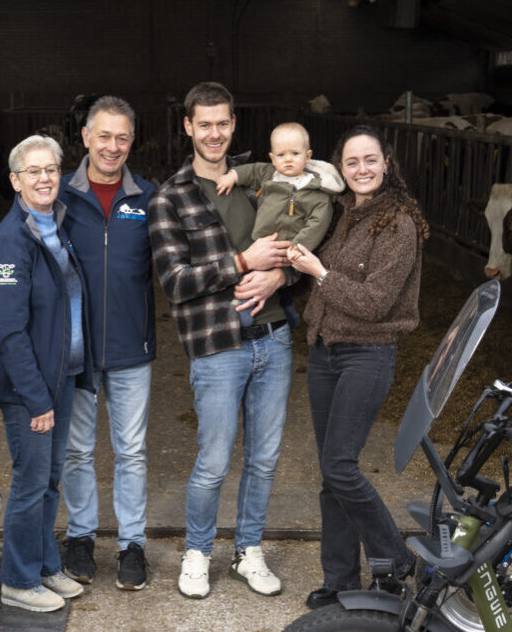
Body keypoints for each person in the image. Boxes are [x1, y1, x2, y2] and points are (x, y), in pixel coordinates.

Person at [0, 96, 156, 591]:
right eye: (104, 135)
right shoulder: (48, 210)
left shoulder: (135, 201)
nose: (113, 146)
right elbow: (6, 277)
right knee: (54, 466)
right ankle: (48, 558)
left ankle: (100, 552)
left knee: (105, 459)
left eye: (123, 137)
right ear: (86, 137)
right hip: (54, 369)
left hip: (101, 356)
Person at [148, 82, 295, 600]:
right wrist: (242, 263)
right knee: (213, 459)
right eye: (204, 124)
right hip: (217, 348)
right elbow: (175, 281)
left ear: (235, 125)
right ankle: (197, 552)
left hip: (274, 338)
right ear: (187, 127)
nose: (215, 133)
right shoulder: (170, 197)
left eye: (223, 123)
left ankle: (248, 550)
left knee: (264, 457)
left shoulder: (267, 182)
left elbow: (298, 247)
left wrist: (278, 277)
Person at [286, 124, 428, 609]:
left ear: (387, 164)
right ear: (339, 169)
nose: (362, 170)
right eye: (352, 162)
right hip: (325, 351)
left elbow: (373, 303)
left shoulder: (400, 225)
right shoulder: (342, 213)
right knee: (331, 473)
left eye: (370, 160)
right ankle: (342, 580)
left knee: (341, 466)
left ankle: (396, 558)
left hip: (367, 353)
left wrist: (319, 273)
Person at [0, 135, 92, 613]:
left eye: (52, 170)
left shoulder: (53, 224)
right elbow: (11, 330)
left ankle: (44, 565)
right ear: (15, 181)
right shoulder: (10, 240)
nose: (45, 179)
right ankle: (18, 580)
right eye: (34, 171)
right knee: (29, 481)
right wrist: (37, 398)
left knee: (49, 479)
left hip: (59, 375)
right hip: (32, 386)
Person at [215, 121, 344, 325]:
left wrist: (298, 247)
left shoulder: (317, 194)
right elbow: (252, 171)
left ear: (308, 156)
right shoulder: (269, 174)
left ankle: (247, 312)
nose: (288, 160)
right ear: (272, 158)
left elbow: (317, 224)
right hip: (260, 244)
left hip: (287, 249)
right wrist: (233, 175)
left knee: (268, 281)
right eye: (281, 155)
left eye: (295, 154)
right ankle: (266, 311)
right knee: (253, 277)